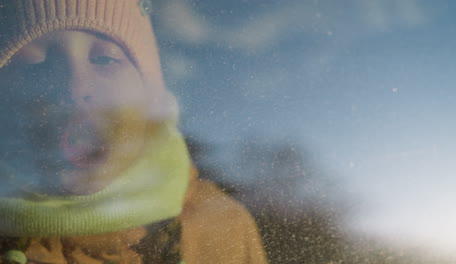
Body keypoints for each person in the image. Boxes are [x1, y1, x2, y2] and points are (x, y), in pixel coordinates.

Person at [0, 0, 268, 263]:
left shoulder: (220, 230)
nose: (75, 88)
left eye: (105, 59)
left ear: (150, 95)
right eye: (35, 63)